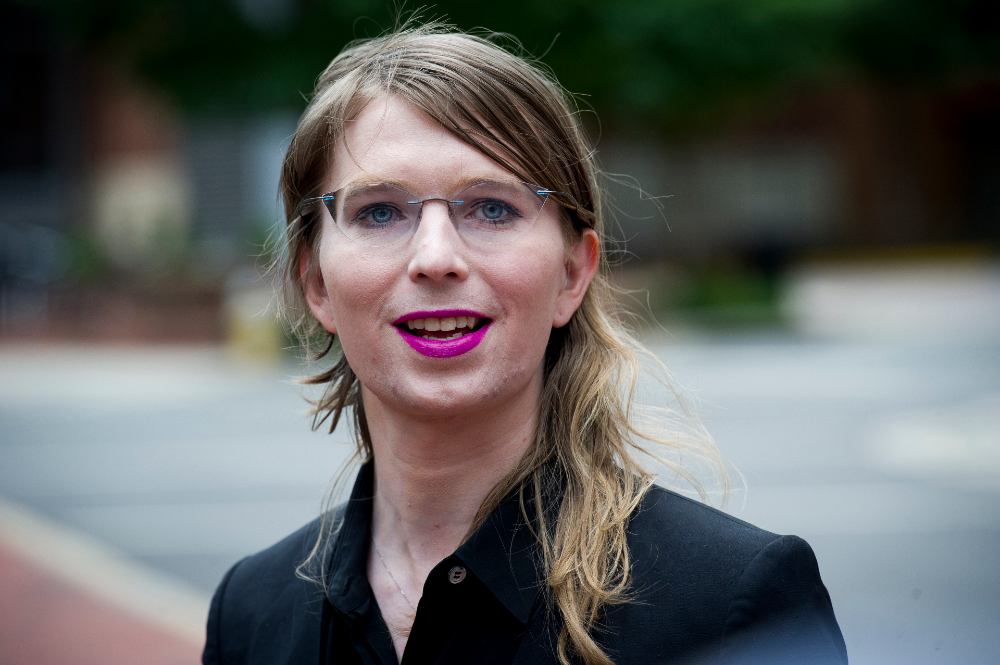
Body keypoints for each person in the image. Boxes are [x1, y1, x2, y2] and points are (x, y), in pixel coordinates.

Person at [202, 23, 847, 665]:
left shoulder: (733, 605)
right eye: (379, 211)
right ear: (315, 282)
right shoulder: (249, 615)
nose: (435, 257)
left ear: (572, 272)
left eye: (491, 208)